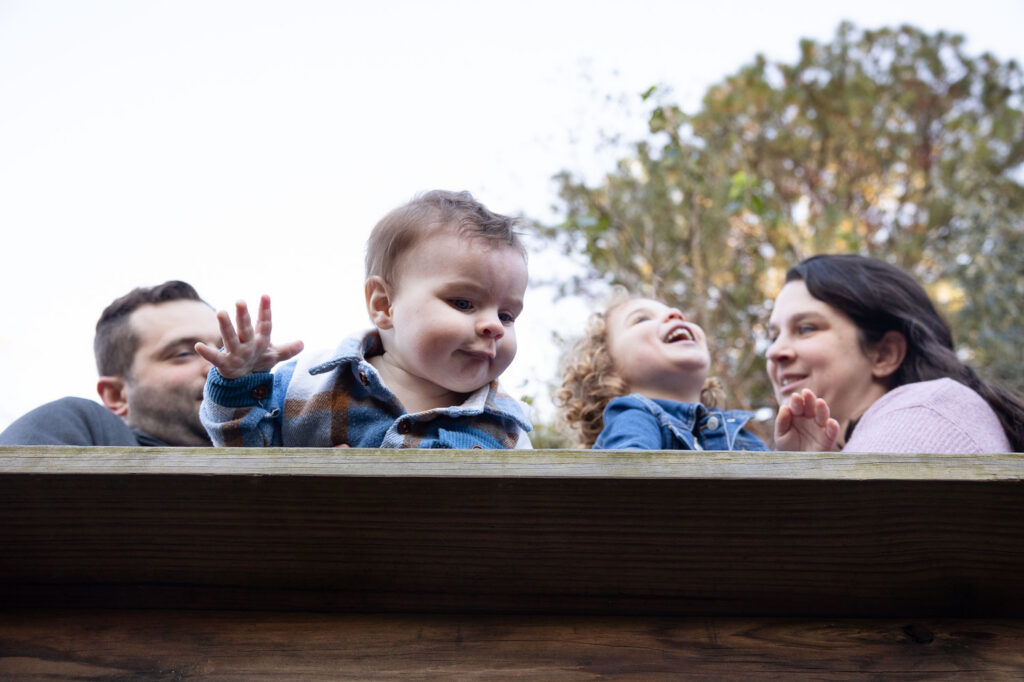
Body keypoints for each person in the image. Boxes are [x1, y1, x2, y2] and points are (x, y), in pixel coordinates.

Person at [197, 190, 532, 449]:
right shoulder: (307, 385)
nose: (495, 326)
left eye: (507, 314)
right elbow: (244, 453)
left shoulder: (509, 432)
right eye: (463, 303)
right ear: (384, 305)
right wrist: (239, 384)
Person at [767, 254, 1024, 453]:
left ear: (885, 354)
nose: (775, 351)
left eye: (806, 328)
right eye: (773, 336)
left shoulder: (926, 409)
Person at [557, 294, 838, 451]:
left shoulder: (738, 434)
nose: (676, 313)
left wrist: (796, 458)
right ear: (608, 370)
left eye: (675, 312)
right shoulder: (633, 415)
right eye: (642, 319)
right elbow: (625, 482)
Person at [0, 280, 221, 447]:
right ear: (116, 395)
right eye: (183, 354)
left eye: (225, 349)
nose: (219, 366)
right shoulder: (81, 426)